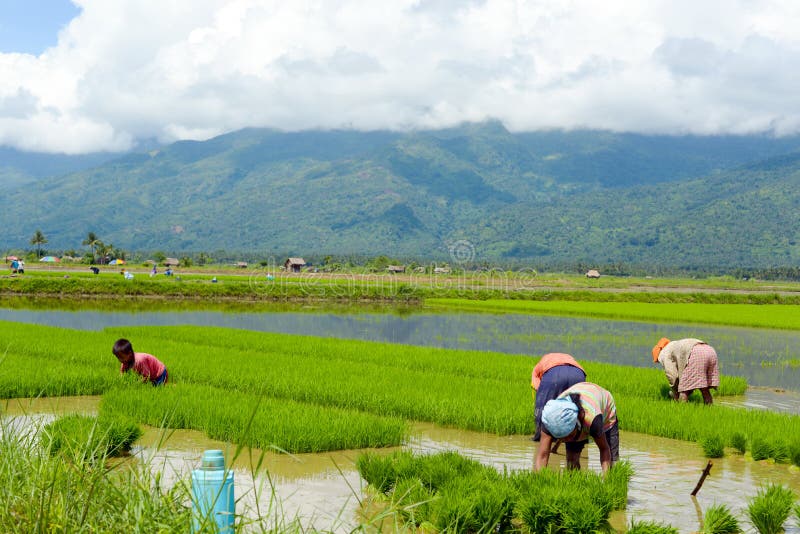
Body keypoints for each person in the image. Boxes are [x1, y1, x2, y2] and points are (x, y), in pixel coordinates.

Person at [535, 382, 619, 473]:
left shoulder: (593, 419)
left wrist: (606, 481)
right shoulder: (550, 418)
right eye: (561, 438)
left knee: (612, 461)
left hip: (605, 409)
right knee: (571, 460)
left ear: (576, 423)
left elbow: (604, 449)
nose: (565, 440)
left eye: (568, 435)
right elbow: (542, 455)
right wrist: (540, 479)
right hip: (575, 409)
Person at [531, 353, 586, 443]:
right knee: (578, 408)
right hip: (578, 374)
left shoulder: (538, 366)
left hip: (554, 374)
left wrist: (542, 398)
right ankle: (581, 439)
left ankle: (540, 438)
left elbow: (537, 388)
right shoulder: (569, 358)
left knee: (543, 408)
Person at [652, 337, 719, 404]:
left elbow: (672, 375)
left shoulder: (664, 352)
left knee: (684, 390)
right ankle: (709, 407)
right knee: (704, 388)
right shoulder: (674, 345)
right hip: (710, 350)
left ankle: (681, 409)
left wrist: (675, 389)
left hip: (695, 353)